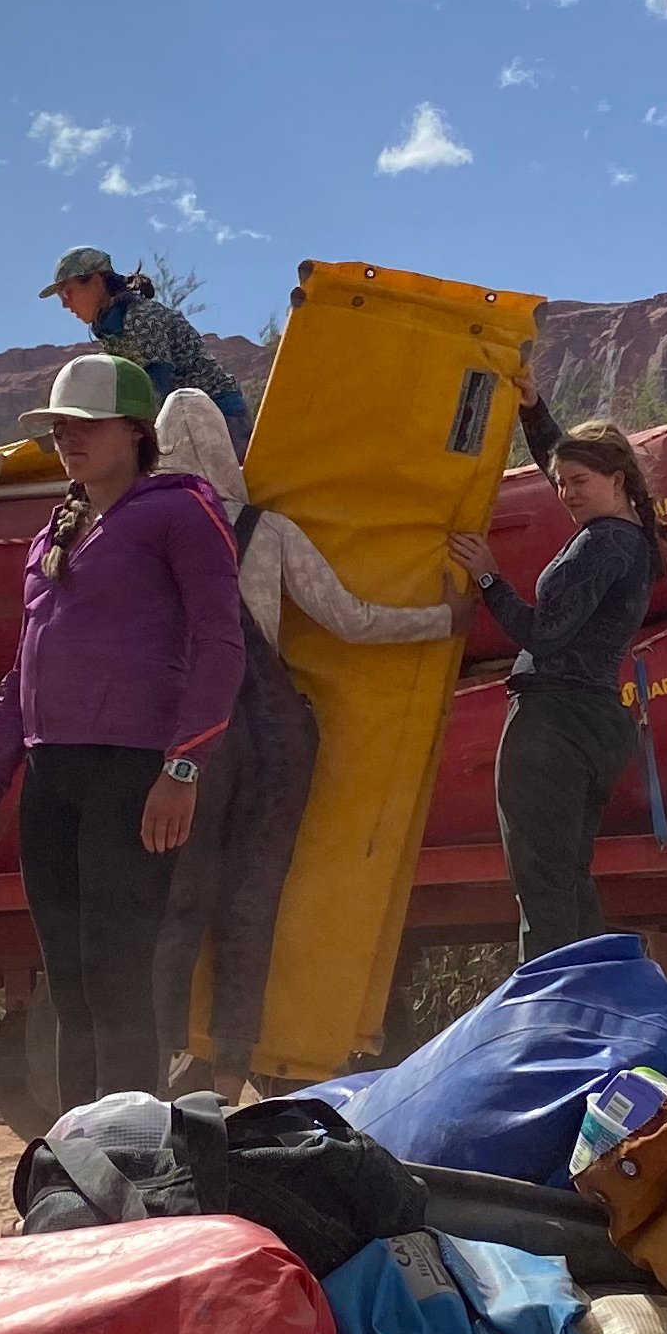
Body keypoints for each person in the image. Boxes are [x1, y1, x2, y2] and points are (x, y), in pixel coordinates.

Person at [0, 353, 246, 1106]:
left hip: (134, 774)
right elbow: (23, 671)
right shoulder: (54, 535)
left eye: (86, 425)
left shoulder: (182, 510)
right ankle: (78, 1167)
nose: (68, 439)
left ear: (136, 431)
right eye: (58, 427)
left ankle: (134, 1162)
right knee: (70, 989)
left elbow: (221, 643)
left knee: (119, 980)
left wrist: (183, 769)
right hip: (53, 781)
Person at [147, 386, 461, 1083]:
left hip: (193, 739)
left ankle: (154, 1066)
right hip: (275, 738)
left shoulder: (150, 533)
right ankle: (230, 1073)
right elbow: (348, 618)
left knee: (179, 902)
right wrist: (441, 619)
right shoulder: (270, 529)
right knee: (252, 904)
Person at [447, 417, 667, 959]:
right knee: (567, 874)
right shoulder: (629, 537)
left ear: (616, 479)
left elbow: (543, 635)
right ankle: (587, 1000)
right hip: (591, 718)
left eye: (578, 482)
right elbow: (565, 457)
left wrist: (487, 577)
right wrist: (532, 407)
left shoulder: (604, 544)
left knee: (541, 880)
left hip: (553, 721)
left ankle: (551, 1009)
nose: (566, 493)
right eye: (560, 482)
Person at [43, 246, 248, 444]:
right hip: (184, 420)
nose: (64, 304)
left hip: (218, 416)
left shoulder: (140, 317)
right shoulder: (114, 329)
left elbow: (157, 385)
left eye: (67, 293)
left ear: (96, 282)